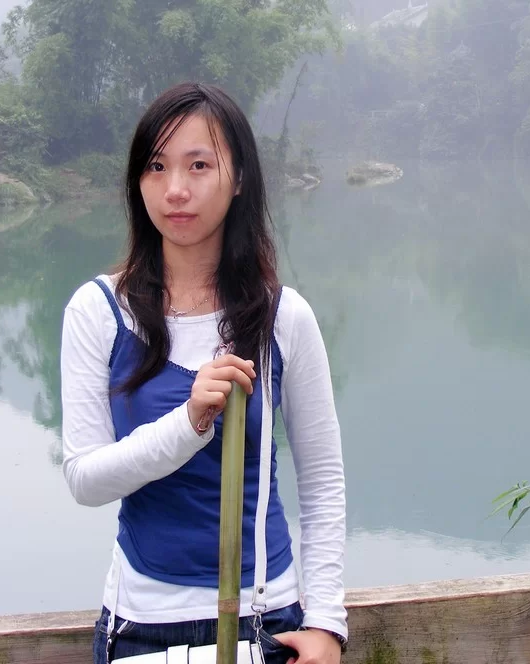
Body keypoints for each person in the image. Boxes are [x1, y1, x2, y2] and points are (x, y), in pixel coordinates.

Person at [61, 82, 347, 664]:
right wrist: (190, 421)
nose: (175, 189)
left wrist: (326, 623)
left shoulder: (283, 316)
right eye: (156, 166)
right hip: (140, 627)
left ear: (237, 178)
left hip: (267, 621)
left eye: (199, 165)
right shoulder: (98, 311)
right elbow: (86, 480)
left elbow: (321, 482)